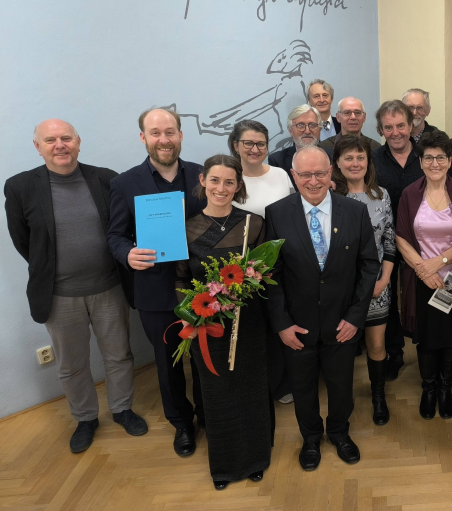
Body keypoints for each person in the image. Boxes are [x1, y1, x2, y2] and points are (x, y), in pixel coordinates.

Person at [5, 119, 145, 454]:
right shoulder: (20, 187)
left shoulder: (106, 179)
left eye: (66, 138)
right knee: (71, 365)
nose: (60, 145)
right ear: (38, 147)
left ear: (78, 142)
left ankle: (122, 409)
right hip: (59, 296)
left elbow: (125, 227)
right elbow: (24, 241)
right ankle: (85, 419)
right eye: (50, 140)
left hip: (109, 287)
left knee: (119, 355)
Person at [264, 146, 380, 471]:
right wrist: (281, 323)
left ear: (331, 173)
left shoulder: (355, 211)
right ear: (293, 176)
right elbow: (270, 274)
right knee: (302, 388)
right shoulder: (276, 213)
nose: (313, 181)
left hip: (342, 323)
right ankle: (311, 439)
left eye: (320, 173)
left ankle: (340, 433)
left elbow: (369, 266)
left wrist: (355, 317)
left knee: (341, 386)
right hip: (296, 325)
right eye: (305, 175)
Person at [107, 107, 206, 457]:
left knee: (205, 356)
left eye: (170, 132)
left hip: (203, 287)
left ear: (180, 135)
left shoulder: (203, 175)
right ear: (143, 138)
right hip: (155, 288)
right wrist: (127, 254)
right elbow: (115, 235)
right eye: (155, 133)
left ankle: (210, 414)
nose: (164, 140)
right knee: (168, 363)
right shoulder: (124, 183)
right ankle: (182, 424)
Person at [176, 155, 272, 490]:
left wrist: (247, 285)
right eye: (215, 180)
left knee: (251, 389)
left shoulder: (254, 224)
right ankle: (225, 465)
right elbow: (180, 281)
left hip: (249, 323)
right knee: (217, 394)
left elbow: (265, 274)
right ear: (203, 181)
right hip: (207, 325)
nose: (221, 188)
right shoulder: (186, 228)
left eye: (229, 182)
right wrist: (192, 317)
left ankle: (256, 458)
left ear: (238, 186)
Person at [396, 131, 452, 420]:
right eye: (428, 158)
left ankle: (445, 387)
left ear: (449, 160)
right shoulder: (410, 194)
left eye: (440, 157)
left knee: (451, 336)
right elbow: (401, 237)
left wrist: (439, 263)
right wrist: (423, 269)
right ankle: (428, 387)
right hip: (421, 279)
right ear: (420, 161)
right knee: (427, 336)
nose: (434, 163)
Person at [227, 120, 295, 406]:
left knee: (280, 321)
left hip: (283, 262)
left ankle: (282, 383)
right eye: (248, 143)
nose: (255, 149)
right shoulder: (230, 178)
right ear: (236, 146)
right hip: (244, 266)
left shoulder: (280, 174)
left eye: (261, 144)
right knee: (252, 328)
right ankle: (255, 386)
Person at [332, 135, 396, 425]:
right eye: (348, 158)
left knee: (377, 345)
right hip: (342, 290)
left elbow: (390, 241)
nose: (355, 163)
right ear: (337, 163)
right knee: (342, 350)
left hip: (377, 286)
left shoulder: (381, 195)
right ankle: (342, 404)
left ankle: (378, 397)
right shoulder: (331, 197)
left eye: (360, 157)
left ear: (369, 162)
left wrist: (384, 279)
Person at [372, 100, 425, 381]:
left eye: (400, 125)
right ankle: (395, 352)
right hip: (385, 244)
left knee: (423, 293)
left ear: (411, 125)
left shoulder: (427, 155)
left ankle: (426, 346)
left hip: (423, 242)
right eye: (388, 127)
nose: (395, 133)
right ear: (381, 129)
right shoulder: (372, 160)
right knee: (388, 296)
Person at [268, 105, 333, 189]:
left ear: (320, 129)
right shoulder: (277, 161)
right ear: (290, 130)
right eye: (300, 125)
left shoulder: (334, 156)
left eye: (312, 125)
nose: (307, 131)